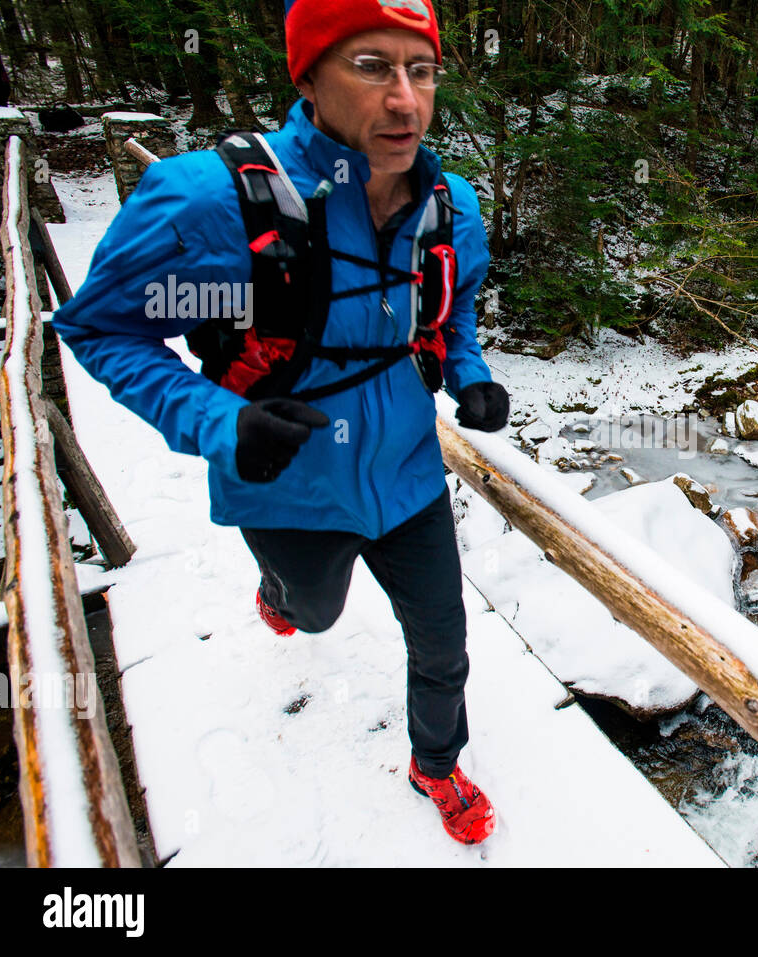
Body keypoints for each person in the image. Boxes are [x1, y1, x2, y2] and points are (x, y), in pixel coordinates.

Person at [52, 0, 508, 846]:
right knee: (317, 611)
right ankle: (279, 596)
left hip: (408, 474)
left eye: (422, 69)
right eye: (372, 66)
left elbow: (450, 314)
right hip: (285, 484)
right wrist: (219, 421)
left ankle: (435, 766)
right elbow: (101, 325)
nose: (405, 99)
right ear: (307, 76)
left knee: (444, 639)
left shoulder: (451, 203)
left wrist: (471, 377)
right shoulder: (210, 201)